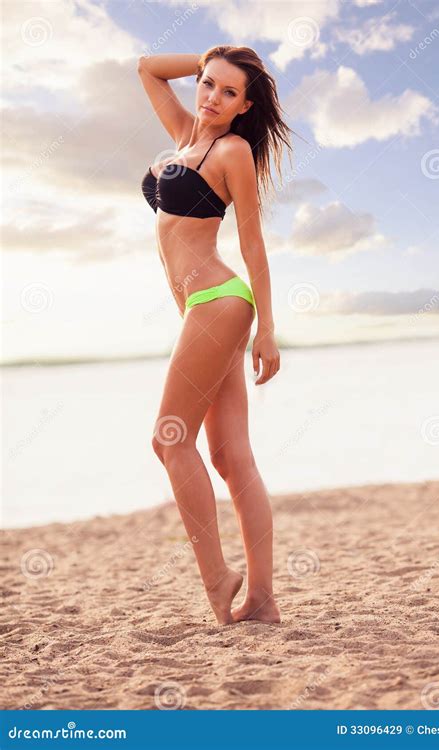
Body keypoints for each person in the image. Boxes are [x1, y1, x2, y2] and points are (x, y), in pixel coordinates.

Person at [138, 45, 293, 625]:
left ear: (244, 106)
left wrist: (269, 330)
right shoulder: (184, 135)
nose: (211, 97)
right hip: (202, 311)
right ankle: (262, 599)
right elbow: (147, 68)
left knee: (167, 440)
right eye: (207, 84)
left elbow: (252, 244)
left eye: (229, 92)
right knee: (229, 457)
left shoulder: (231, 151)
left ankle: (218, 579)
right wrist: (207, 53)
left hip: (219, 301)